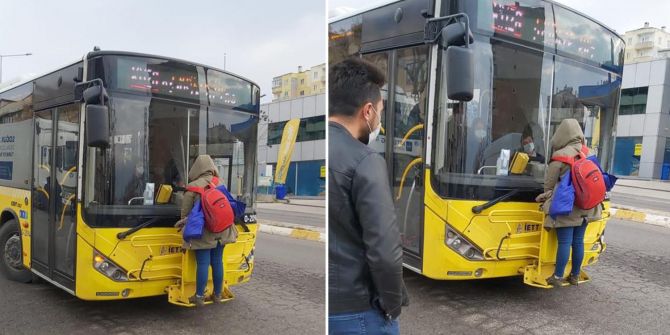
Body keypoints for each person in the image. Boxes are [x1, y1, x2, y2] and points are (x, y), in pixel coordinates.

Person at [328, 57, 408, 335]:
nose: (379, 121)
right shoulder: (365, 160)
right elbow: (385, 251)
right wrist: (392, 306)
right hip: (359, 312)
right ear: (368, 111)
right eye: (381, 112)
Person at [536, 119, 601, 287]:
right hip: (588, 205)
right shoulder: (589, 153)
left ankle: (557, 277)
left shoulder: (560, 156)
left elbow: (549, 186)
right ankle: (575, 275)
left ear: (562, 134)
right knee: (578, 241)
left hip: (568, 207)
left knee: (564, 242)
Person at [176, 154, 238, 306]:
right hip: (223, 229)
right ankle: (217, 294)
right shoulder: (220, 183)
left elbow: (185, 214)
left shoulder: (193, 187)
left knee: (203, 263)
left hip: (204, 232)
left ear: (196, 168)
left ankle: (199, 297)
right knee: (217, 261)